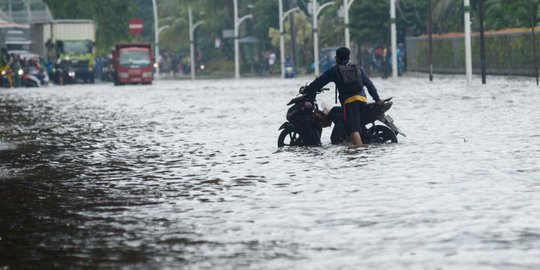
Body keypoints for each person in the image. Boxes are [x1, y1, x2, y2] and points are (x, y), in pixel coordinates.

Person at [302, 47, 384, 146]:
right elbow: (370, 85)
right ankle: (350, 147)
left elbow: (319, 83)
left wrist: (306, 90)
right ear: (349, 57)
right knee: (354, 126)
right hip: (362, 100)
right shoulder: (357, 69)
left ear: (336, 58)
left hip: (350, 102)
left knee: (353, 129)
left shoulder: (335, 71)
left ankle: (360, 152)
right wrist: (377, 99)